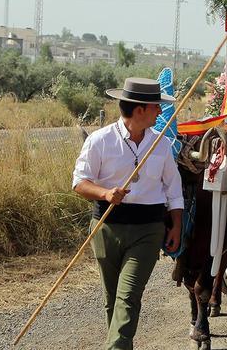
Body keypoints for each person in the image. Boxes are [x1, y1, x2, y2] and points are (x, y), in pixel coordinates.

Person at [72, 77, 184, 350]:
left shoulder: (162, 145)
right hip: (106, 227)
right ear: (140, 110)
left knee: (129, 296)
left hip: (148, 229)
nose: (160, 112)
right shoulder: (100, 141)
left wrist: (177, 226)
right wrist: (106, 194)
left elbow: (174, 190)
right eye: (156, 106)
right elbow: (79, 182)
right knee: (113, 299)